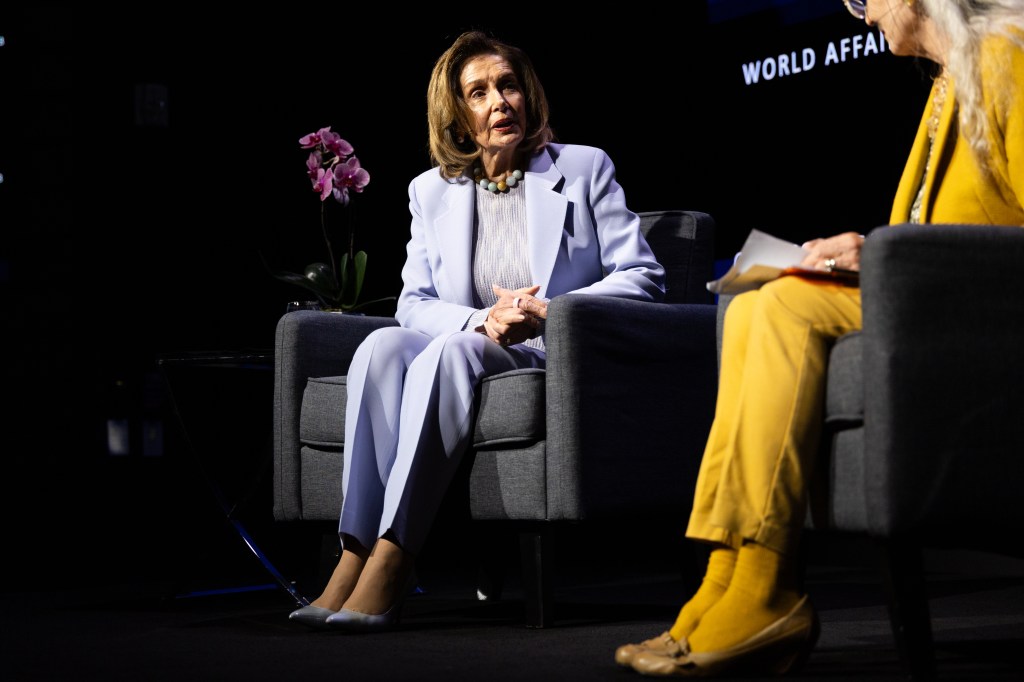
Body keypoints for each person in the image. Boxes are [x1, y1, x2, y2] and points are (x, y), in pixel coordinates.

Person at [615, 0, 1024, 677]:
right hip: (927, 307)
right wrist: (870, 250)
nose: (860, 14)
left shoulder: (1008, 60)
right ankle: (724, 578)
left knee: (782, 311)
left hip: (980, 320)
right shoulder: (949, 85)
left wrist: (891, 258)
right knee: (756, 303)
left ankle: (765, 590)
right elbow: (940, 229)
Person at [287, 30, 666, 632]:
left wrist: (551, 311)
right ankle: (354, 549)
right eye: (479, 92)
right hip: (474, 341)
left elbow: (644, 275)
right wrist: (480, 320)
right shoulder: (430, 190)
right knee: (382, 343)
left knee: (456, 351)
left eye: (508, 85)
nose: (500, 102)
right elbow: (413, 303)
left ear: (528, 95)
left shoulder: (584, 167)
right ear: (457, 116)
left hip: (549, 352)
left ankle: (396, 555)